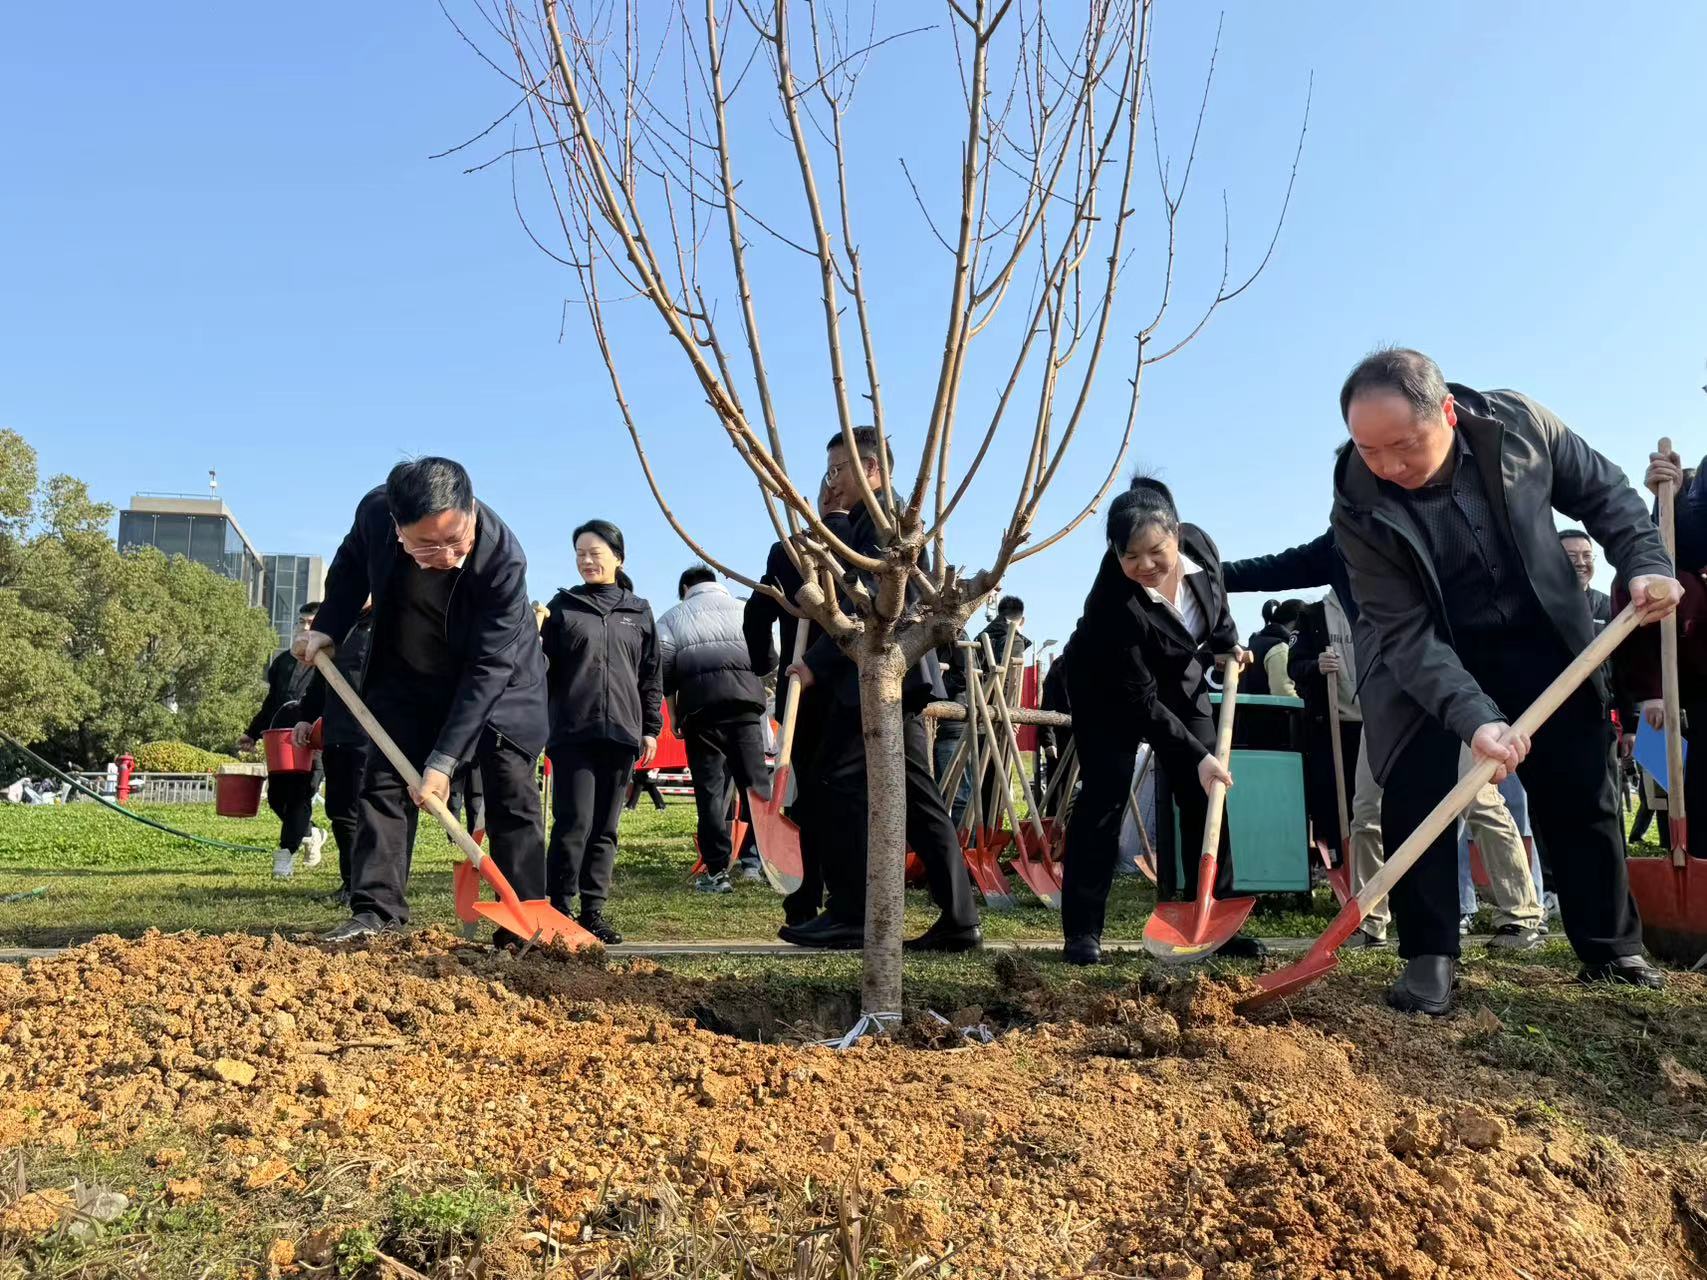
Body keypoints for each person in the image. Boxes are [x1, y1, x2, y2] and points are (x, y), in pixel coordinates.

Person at [1333, 347, 1677, 1013]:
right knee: (1414, 786)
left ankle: (1610, 946)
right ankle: (1428, 957)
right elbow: (1403, 633)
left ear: (1449, 414)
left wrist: (1642, 560)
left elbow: (1604, 493)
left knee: (1580, 784)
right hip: (1425, 652)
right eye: (1368, 450)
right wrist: (1474, 717)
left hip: (1539, 631)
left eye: (1403, 446)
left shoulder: (1519, 426)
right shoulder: (1356, 504)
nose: (1387, 468)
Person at [298, 458, 550, 945]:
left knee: (510, 793)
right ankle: (376, 913)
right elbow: (350, 566)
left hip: (501, 685)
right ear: (397, 528)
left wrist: (445, 759)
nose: (449, 555)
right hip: (409, 676)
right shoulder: (374, 513)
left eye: (458, 539)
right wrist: (328, 626)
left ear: (471, 509)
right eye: (428, 545)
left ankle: (523, 929)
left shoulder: (502, 558)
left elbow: (489, 668)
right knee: (384, 786)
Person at [782, 428, 981, 952]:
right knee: (916, 795)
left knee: (836, 782)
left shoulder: (890, 523)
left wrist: (815, 665)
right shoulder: (866, 520)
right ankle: (959, 917)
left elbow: (866, 599)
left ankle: (852, 912)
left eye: (837, 471)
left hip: (879, 674)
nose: (831, 482)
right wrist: (834, 529)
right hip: (886, 677)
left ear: (871, 470)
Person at [1058, 475, 1260, 966]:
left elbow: (1217, 602)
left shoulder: (1201, 545)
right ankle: (1083, 932)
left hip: (1178, 676)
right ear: (1114, 553)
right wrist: (1195, 756)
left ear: (1176, 534)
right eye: (1131, 557)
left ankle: (1214, 917)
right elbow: (1141, 702)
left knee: (1208, 794)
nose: (1145, 565)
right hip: (1109, 690)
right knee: (1105, 797)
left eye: (1156, 552)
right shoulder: (1111, 602)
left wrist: (1226, 643)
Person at [540, 520, 662, 943]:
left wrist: (651, 729)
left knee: (606, 827)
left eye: (595, 552)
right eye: (580, 554)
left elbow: (651, 676)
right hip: (573, 731)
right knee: (573, 821)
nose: (587, 560)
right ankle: (559, 905)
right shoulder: (563, 607)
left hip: (622, 733)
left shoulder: (639, 610)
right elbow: (544, 673)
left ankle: (593, 911)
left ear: (618, 557)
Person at [744, 478, 853, 927]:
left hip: (801, 684)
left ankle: (803, 899)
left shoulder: (788, 548)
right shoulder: (872, 545)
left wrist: (765, 664)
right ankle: (843, 897)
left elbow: (757, 612)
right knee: (847, 794)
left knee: (806, 795)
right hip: (854, 688)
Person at [657, 564, 772, 893]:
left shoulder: (672, 617)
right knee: (756, 787)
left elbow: (664, 672)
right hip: (747, 708)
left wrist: (674, 714)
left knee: (709, 791)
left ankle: (717, 871)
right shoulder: (743, 609)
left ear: (684, 589)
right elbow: (768, 658)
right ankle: (757, 860)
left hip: (700, 710)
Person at [293, 602, 375, 905]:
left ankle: (373, 889)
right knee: (341, 814)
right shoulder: (342, 625)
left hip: (373, 738)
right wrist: (306, 715)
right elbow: (321, 678)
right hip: (337, 734)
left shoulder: (389, 623)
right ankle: (351, 883)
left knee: (368, 814)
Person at [242, 601, 327, 878]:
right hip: (280, 740)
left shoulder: (329, 657)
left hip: (314, 740)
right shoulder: (283, 662)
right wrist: (252, 733)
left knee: (301, 795)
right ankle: (311, 833)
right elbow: (271, 703)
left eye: (311, 622)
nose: (305, 627)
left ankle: (285, 855)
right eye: (301, 622)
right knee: (278, 798)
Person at [1243, 598, 1303, 697]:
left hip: (1246, 711)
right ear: (1295, 622)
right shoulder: (1280, 648)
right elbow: (1284, 693)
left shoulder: (1256, 641)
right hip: (1269, 712)